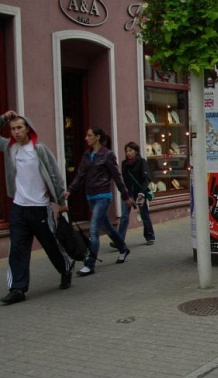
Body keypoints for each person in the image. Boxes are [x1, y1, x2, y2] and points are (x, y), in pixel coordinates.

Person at [0, 110, 73, 305]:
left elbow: (55, 176)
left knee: (51, 245)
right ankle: (17, 288)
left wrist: (62, 203)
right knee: (17, 248)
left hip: (40, 207)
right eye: (12, 128)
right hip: (19, 207)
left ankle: (65, 268)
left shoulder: (39, 149)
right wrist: (3, 119)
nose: (15, 132)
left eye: (19, 128)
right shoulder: (10, 148)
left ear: (27, 129)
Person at [64, 127, 134, 277]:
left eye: (89, 135)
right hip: (90, 197)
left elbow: (117, 177)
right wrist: (69, 190)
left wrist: (126, 196)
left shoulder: (107, 155)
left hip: (103, 196)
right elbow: (80, 175)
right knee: (108, 227)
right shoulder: (87, 155)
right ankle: (123, 248)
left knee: (94, 230)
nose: (86, 138)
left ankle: (90, 264)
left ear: (97, 137)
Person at [114, 142, 155, 247]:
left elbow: (146, 179)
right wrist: (126, 193)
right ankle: (119, 240)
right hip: (128, 193)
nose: (129, 153)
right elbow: (124, 179)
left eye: (131, 150)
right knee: (124, 216)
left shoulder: (142, 162)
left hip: (140, 192)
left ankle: (150, 236)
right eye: (127, 151)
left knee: (144, 214)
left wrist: (141, 192)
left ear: (136, 151)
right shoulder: (124, 164)